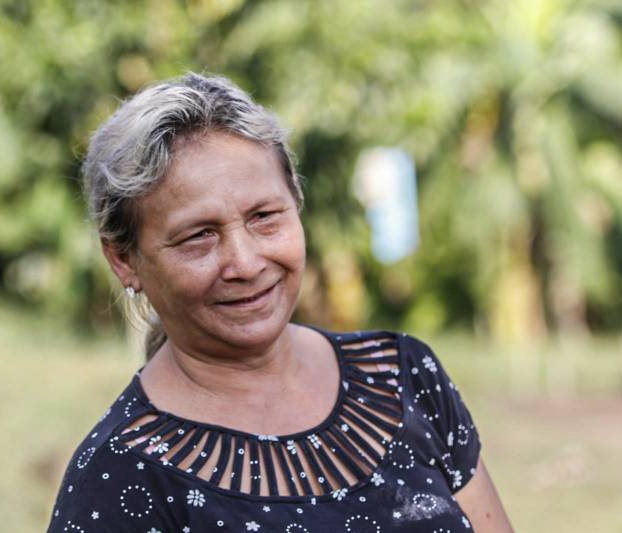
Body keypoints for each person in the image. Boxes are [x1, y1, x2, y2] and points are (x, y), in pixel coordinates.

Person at [47, 73, 513, 532]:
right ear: (124, 259)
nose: (246, 263)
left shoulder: (403, 378)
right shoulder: (120, 482)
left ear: (296, 202)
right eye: (199, 236)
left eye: (265, 217)